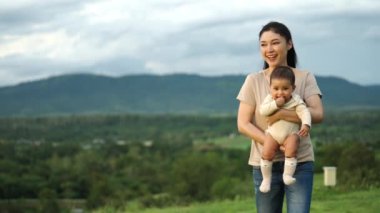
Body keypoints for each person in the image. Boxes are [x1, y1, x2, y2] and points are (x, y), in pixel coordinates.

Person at [236, 21, 323, 213]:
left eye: (275, 42)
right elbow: (243, 124)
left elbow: (317, 114)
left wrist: (283, 114)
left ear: (289, 44)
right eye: (263, 44)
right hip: (264, 162)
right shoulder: (254, 80)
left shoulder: (304, 77)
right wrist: (273, 143)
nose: (269, 49)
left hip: (299, 161)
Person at [259, 66, 311, 193]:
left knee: (293, 146)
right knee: (266, 153)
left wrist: (306, 124)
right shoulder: (270, 99)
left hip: (290, 134)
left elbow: (304, 112)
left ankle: (287, 175)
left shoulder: (296, 100)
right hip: (273, 134)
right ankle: (266, 179)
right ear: (270, 88)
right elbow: (263, 111)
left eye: (285, 89)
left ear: (293, 88)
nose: (280, 92)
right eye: (276, 88)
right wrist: (276, 104)